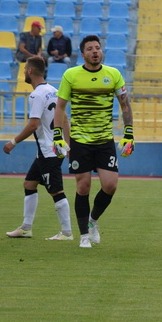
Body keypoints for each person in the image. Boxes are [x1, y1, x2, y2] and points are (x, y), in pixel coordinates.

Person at [53, 35, 134, 249]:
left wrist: (129, 133)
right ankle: (83, 235)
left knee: (110, 185)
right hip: (80, 140)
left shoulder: (114, 74)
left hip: (105, 139)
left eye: (97, 48)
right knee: (83, 186)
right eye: (90, 49)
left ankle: (93, 221)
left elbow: (125, 105)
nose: (95, 51)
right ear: (82, 54)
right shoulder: (71, 75)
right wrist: (58, 135)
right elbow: (60, 107)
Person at [4, 58, 74, 240]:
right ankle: (26, 228)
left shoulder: (36, 95)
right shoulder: (54, 91)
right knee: (29, 184)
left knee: (56, 190)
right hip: (52, 149)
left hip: (48, 151)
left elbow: (33, 125)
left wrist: (13, 141)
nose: (24, 71)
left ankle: (67, 232)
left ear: (30, 71)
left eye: (25, 68)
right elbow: (65, 119)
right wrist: (68, 144)